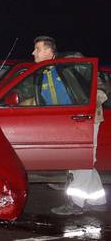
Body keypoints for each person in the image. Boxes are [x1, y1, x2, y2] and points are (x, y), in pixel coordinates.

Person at [49, 52, 107, 215]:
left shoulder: (87, 73)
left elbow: (101, 92)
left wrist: (87, 105)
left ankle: (76, 204)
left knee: (83, 161)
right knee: (85, 161)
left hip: (88, 120)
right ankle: (98, 200)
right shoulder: (73, 75)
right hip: (79, 119)